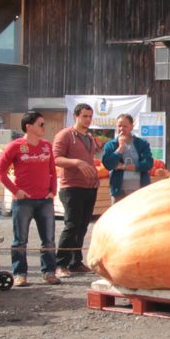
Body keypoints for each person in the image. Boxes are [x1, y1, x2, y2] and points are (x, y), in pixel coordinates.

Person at [0, 111, 59, 285]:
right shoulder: (15, 146)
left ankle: (49, 272)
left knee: (48, 239)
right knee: (20, 240)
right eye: (41, 124)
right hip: (23, 201)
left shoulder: (46, 145)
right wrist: (15, 190)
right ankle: (20, 274)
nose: (44, 127)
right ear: (29, 126)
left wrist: (53, 191)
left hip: (45, 199)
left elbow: (53, 171)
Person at [53, 104, 102, 278]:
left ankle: (75, 262)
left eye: (90, 116)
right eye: (84, 116)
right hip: (72, 187)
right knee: (72, 226)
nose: (88, 120)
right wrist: (76, 162)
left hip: (89, 186)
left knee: (82, 227)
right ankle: (60, 264)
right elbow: (55, 158)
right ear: (75, 116)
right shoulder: (65, 135)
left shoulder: (89, 137)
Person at [101, 114, 154, 204]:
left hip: (140, 190)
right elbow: (108, 164)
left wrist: (123, 166)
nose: (121, 129)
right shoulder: (110, 145)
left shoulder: (142, 143)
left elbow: (148, 164)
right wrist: (120, 149)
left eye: (125, 126)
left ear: (132, 127)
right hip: (118, 191)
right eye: (119, 126)